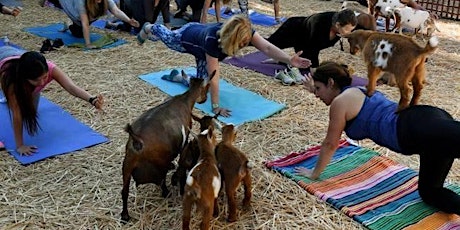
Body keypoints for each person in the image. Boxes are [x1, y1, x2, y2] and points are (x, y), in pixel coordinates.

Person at [295, 61, 460, 215]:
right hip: (424, 125)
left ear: (331, 83)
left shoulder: (340, 102)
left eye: (317, 89)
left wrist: (314, 173)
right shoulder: (356, 90)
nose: (316, 95)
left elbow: (330, 144)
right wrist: (314, 86)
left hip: (417, 127)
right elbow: (328, 93)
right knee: (430, 193)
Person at [136, 14, 312, 117]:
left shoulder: (246, 32)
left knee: (199, 89)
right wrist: (215, 107)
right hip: (186, 38)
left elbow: (266, 46)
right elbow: (215, 76)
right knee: (167, 37)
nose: (245, 45)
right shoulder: (213, 40)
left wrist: (289, 60)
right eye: (242, 43)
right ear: (232, 38)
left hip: (201, 45)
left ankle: (178, 77)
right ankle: (150, 27)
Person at [0, 46, 104, 155]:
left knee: (30, 113)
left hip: (21, 57)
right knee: (20, 109)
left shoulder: (49, 68)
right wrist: (20, 145)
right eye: (36, 80)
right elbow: (17, 114)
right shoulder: (11, 79)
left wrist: (92, 100)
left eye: (44, 77)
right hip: (4, 58)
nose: (42, 83)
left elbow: (71, 87)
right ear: (25, 78)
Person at [266, 9, 357, 72]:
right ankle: (252, 37)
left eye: (351, 30)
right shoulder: (319, 24)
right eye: (347, 30)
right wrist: (315, 71)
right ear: (337, 25)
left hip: (305, 41)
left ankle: (280, 60)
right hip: (293, 29)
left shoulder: (340, 25)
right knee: (269, 44)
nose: (349, 33)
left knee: (304, 65)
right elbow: (313, 50)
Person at [45, 0, 140, 48]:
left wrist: (129, 21)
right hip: (76, 12)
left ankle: (71, 27)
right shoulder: (81, 2)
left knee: (78, 32)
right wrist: (88, 44)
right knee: (60, 3)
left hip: (88, 17)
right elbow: (85, 24)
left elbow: (116, 11)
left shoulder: (105, 1)